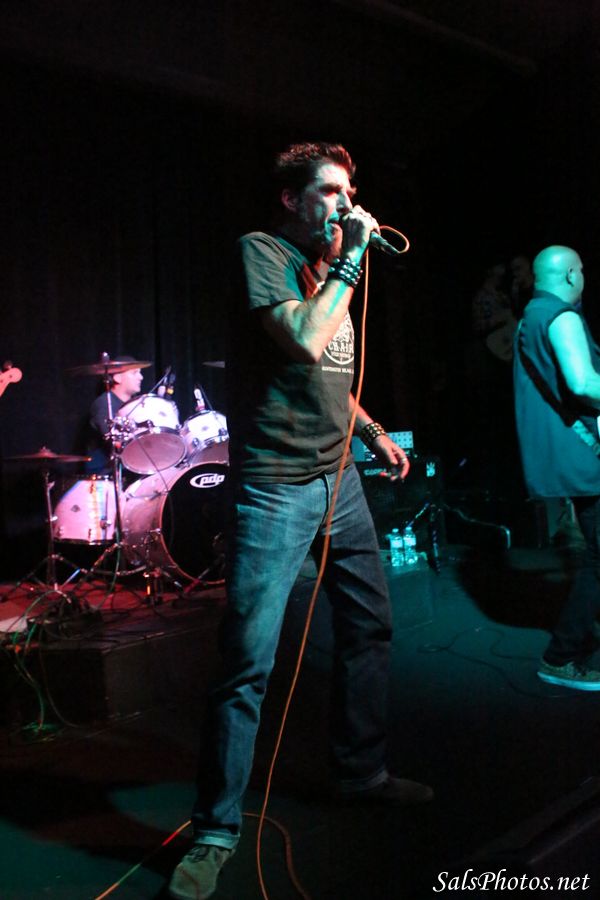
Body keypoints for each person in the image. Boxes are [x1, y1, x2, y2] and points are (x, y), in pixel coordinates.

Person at [168, 142, 433, 900]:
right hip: (277, 488)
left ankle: (361, 772)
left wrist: (371, 430)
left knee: (370, 625)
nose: (345, 206)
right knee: (248, 658)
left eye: (350, 192)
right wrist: (350, 260)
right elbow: (305, 339)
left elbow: (327, 377)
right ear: (292, 198)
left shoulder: (326, 269)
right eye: (329, 192)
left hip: (338, 478)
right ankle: (215, 829)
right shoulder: (264, 252)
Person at [513, 244, 600, 690]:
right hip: (584, 454)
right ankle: (561, 657)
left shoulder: (530, 316)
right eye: (581, 270)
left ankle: (569, 648)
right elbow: (582, 382)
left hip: (568, 453)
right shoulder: (560, 316)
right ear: (569, 275)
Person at [85, 360, 144, 474]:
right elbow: (117, 443)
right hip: (106, 472)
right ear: (118, 378)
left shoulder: (136, 405)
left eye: (140, 373)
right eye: (134, 373)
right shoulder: (104, 404)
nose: (141, 377)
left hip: (132, 468)